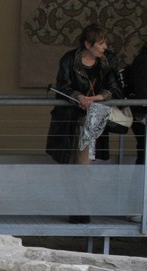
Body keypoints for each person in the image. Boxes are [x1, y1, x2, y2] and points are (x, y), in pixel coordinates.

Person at [54, 23, 121, 223]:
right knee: (71, 163)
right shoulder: (69, 59)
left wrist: (98, 97)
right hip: (70, 117)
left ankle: (82, 210)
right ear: (88, 44)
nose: (105, 47)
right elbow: (63, 86)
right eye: (101, 43)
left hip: (94, 117)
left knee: (84, 164)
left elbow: (115, 87)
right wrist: (78, 96)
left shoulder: (108, 60)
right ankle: (76, 209)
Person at [130, 42, 147, 165]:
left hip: (140, 113)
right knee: (144, 152)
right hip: (142, 114)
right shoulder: (143, 61)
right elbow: (141, 91)